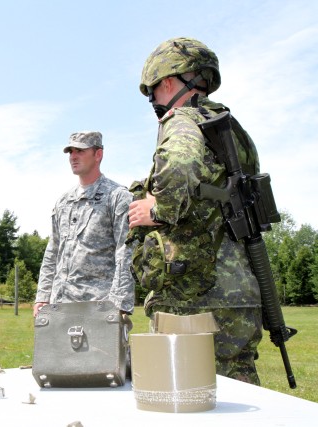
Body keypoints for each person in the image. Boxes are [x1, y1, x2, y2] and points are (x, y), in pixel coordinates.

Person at [127, 37, 263, 385]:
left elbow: (182, 162)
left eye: (153, 91)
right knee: (239, 383)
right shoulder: (233, 129)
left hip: (194, 293)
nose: (154, 100)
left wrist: (158, 210)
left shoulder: (183, 120)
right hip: (242, 287)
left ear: (169, 81)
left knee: (185, 390)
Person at [33, 131, 135, 318]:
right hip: (60, 305)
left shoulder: (117, 197)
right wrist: (43, 296)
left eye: (80, 151)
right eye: (70, 152)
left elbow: (126, 251)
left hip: (98, 306)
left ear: (98, 155)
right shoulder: (64, 202)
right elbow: (53, 251)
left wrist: (119, 303)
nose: (73, 157)